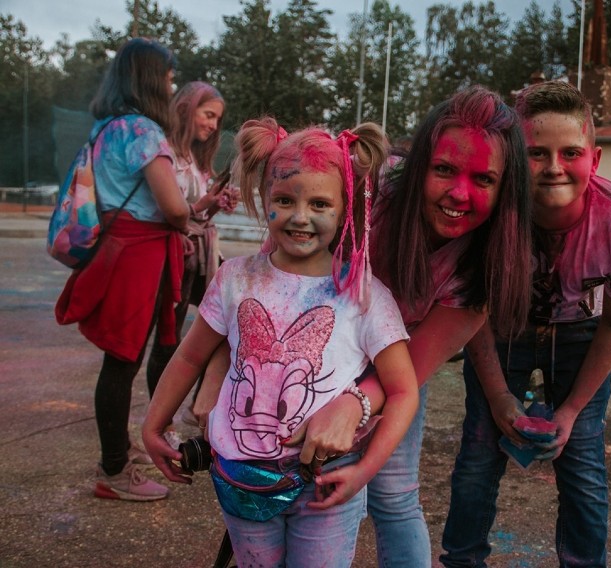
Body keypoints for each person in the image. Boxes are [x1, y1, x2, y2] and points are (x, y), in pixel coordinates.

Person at [194, 85, 534, 567]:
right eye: (443, 169)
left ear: (506, 188)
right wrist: (219, 368)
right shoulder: (366, 191)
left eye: (483, 179)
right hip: (299, 360)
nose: (459, 193)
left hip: (394, 369)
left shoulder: (488, 265)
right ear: (418, 166)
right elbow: (269, 292)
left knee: (393, 496)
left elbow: (407, 376)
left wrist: (351, 405)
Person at [142, 119, 420, 567]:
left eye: (320, 203)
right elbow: (192, 353)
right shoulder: (235, 277)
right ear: (264, 199)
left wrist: (364, 472)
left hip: (326, 482)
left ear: (345, 207)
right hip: (239, 480)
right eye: (285, 200)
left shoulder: (364, 295)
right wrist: (153, 424)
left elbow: (404, 389)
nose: (300, 216)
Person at [440, 80, 611, 568]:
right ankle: (462, 560)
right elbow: (472, 313)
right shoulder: (487, 216)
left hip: (583, 336)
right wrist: (497, 398)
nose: (554, 167)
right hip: (499, 332)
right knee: (477, 459)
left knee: (582, 468)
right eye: (536, 153)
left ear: (594, 160)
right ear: (515, 158)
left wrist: (573, 409)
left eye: (570, 152)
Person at [53, 38, 189, 501]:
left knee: (119, 361)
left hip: (117, 249)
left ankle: (116, 455)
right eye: (168, 76)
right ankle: (113, 470)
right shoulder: (143, 132)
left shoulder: (105, 128)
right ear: (152, 79)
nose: (171, 85)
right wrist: (188, 214)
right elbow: (172, 206)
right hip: (138, 256)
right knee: (122, 363)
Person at [145, 81, 235, 445]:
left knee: (221, 329)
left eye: (217, 119)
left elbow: (195, 212)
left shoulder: (196, 159)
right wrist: (201, 206)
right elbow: (173, 213)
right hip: (175, 257)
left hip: (201, 255)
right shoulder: (163, 153)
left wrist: (217, 202)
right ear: (186, 108)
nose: (213, 125)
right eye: (208, 114)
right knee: (169, 341)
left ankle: (196, 402)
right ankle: (160, 420)